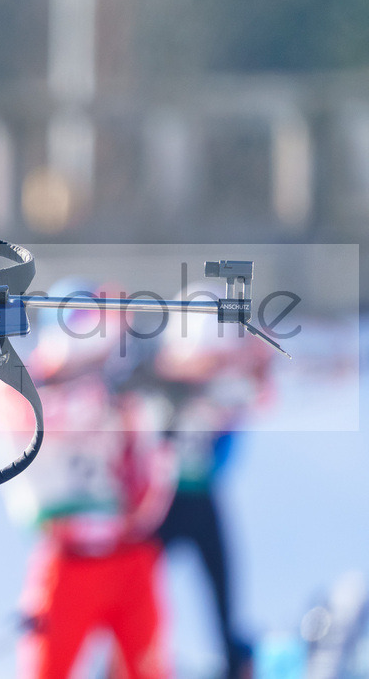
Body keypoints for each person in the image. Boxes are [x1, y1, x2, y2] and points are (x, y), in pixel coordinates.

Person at [0, 280, 177, 679]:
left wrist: (146, 408)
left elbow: (152, 471)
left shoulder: (118, 389)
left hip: (129, 555)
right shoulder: (22, 385)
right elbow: (30, 414)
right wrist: (98, 388)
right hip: (67, 560)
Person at [151, 285, 272, 679]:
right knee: (136, 593)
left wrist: (249, 362)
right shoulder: (166, 372)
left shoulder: (224, 381)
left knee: (223, 593)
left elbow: (258, 391)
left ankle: (234, 663)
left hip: (203, 495)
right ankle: (125, 661)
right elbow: (169, 374)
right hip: (162, 502)